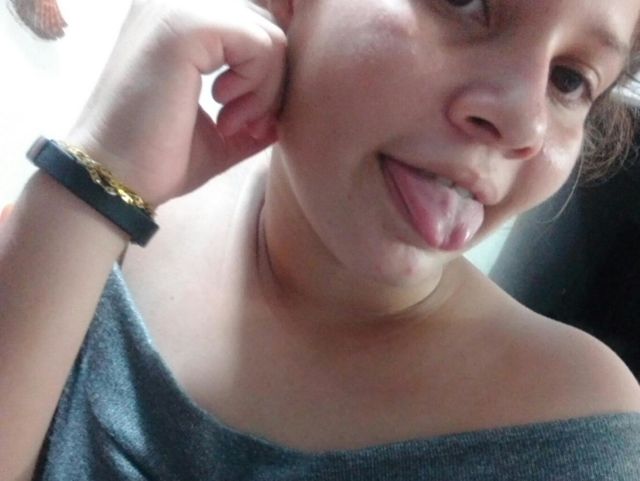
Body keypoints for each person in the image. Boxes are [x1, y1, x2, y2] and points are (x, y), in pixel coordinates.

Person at [2, 0, 640, 479]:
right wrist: (99, 174)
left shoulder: (577, 428)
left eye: (569, 80)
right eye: (463, 2)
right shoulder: (113, 217)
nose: (524, 121)